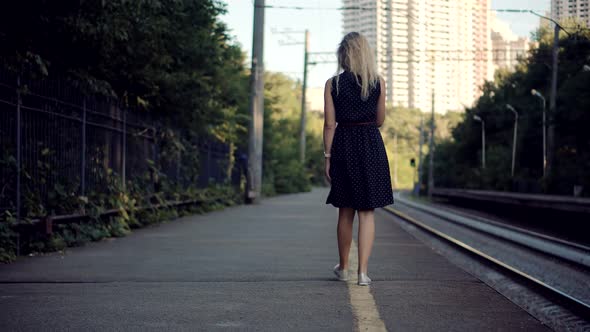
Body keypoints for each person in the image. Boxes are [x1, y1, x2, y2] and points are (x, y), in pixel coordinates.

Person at [323, 32, 394, 286]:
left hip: (343, 145)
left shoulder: (333, 84)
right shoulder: (378, 82)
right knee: (367, 212)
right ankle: (362, 273)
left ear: (343, 56)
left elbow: (330, 125)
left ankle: (344, 268)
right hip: (371, 146)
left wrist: (328, 157)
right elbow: (380, 120)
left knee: (345, 210)